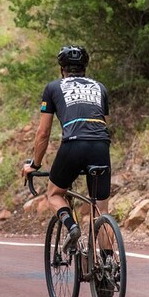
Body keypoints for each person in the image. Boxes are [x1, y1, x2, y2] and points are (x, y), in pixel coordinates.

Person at [20, 45, 111, 253]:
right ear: (84, 68)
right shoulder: (100, 88)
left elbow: (43, 133)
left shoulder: (53, 88)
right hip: (100, 145)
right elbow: (105, 124)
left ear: (62, 70)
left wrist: (34, 164)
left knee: (54, 193)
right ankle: (108, 266)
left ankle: (71, 227)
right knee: (102, 210)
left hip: (73, 145)